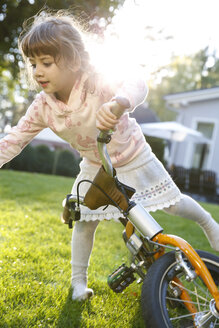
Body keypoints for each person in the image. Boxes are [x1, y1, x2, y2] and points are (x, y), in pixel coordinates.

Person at [0, 9, 218, 302]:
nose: (37, 71)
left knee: (173, 205)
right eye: (33, 63)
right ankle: (79, 283)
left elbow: (137, 82)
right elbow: (15, 139)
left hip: (133, 153)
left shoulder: (96, 81)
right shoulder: (43, 106)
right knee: (84, 220)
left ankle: (208, 223)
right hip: (96, 163)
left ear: (74, 61)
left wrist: (119, 103)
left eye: (47, 63)